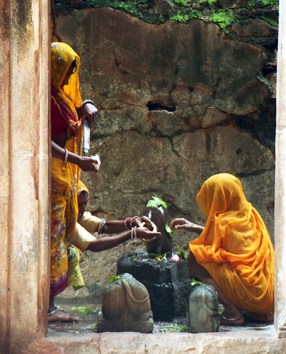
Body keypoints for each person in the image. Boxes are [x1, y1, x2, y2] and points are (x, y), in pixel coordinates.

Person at [49, 42, 160, 322]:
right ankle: (47, 308)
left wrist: (127, 223)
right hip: (55, 176)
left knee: (63, 246)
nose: (68, 79)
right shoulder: (45, 100)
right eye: (66, 72)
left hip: (64, 179)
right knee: (60, 248)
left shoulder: (60, 96)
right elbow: (93, 242)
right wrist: (133, 234)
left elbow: (95, 224)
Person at [170, 173, 274, 325]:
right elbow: (227, 241)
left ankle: (233, 313)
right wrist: (195, 227)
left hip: (252, 296)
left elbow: (216, 246)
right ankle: (260, 314)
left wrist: (200, 242)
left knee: (196, 256)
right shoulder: (250, 213)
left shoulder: (225, 222)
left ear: (221, 197)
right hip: (267, 296)